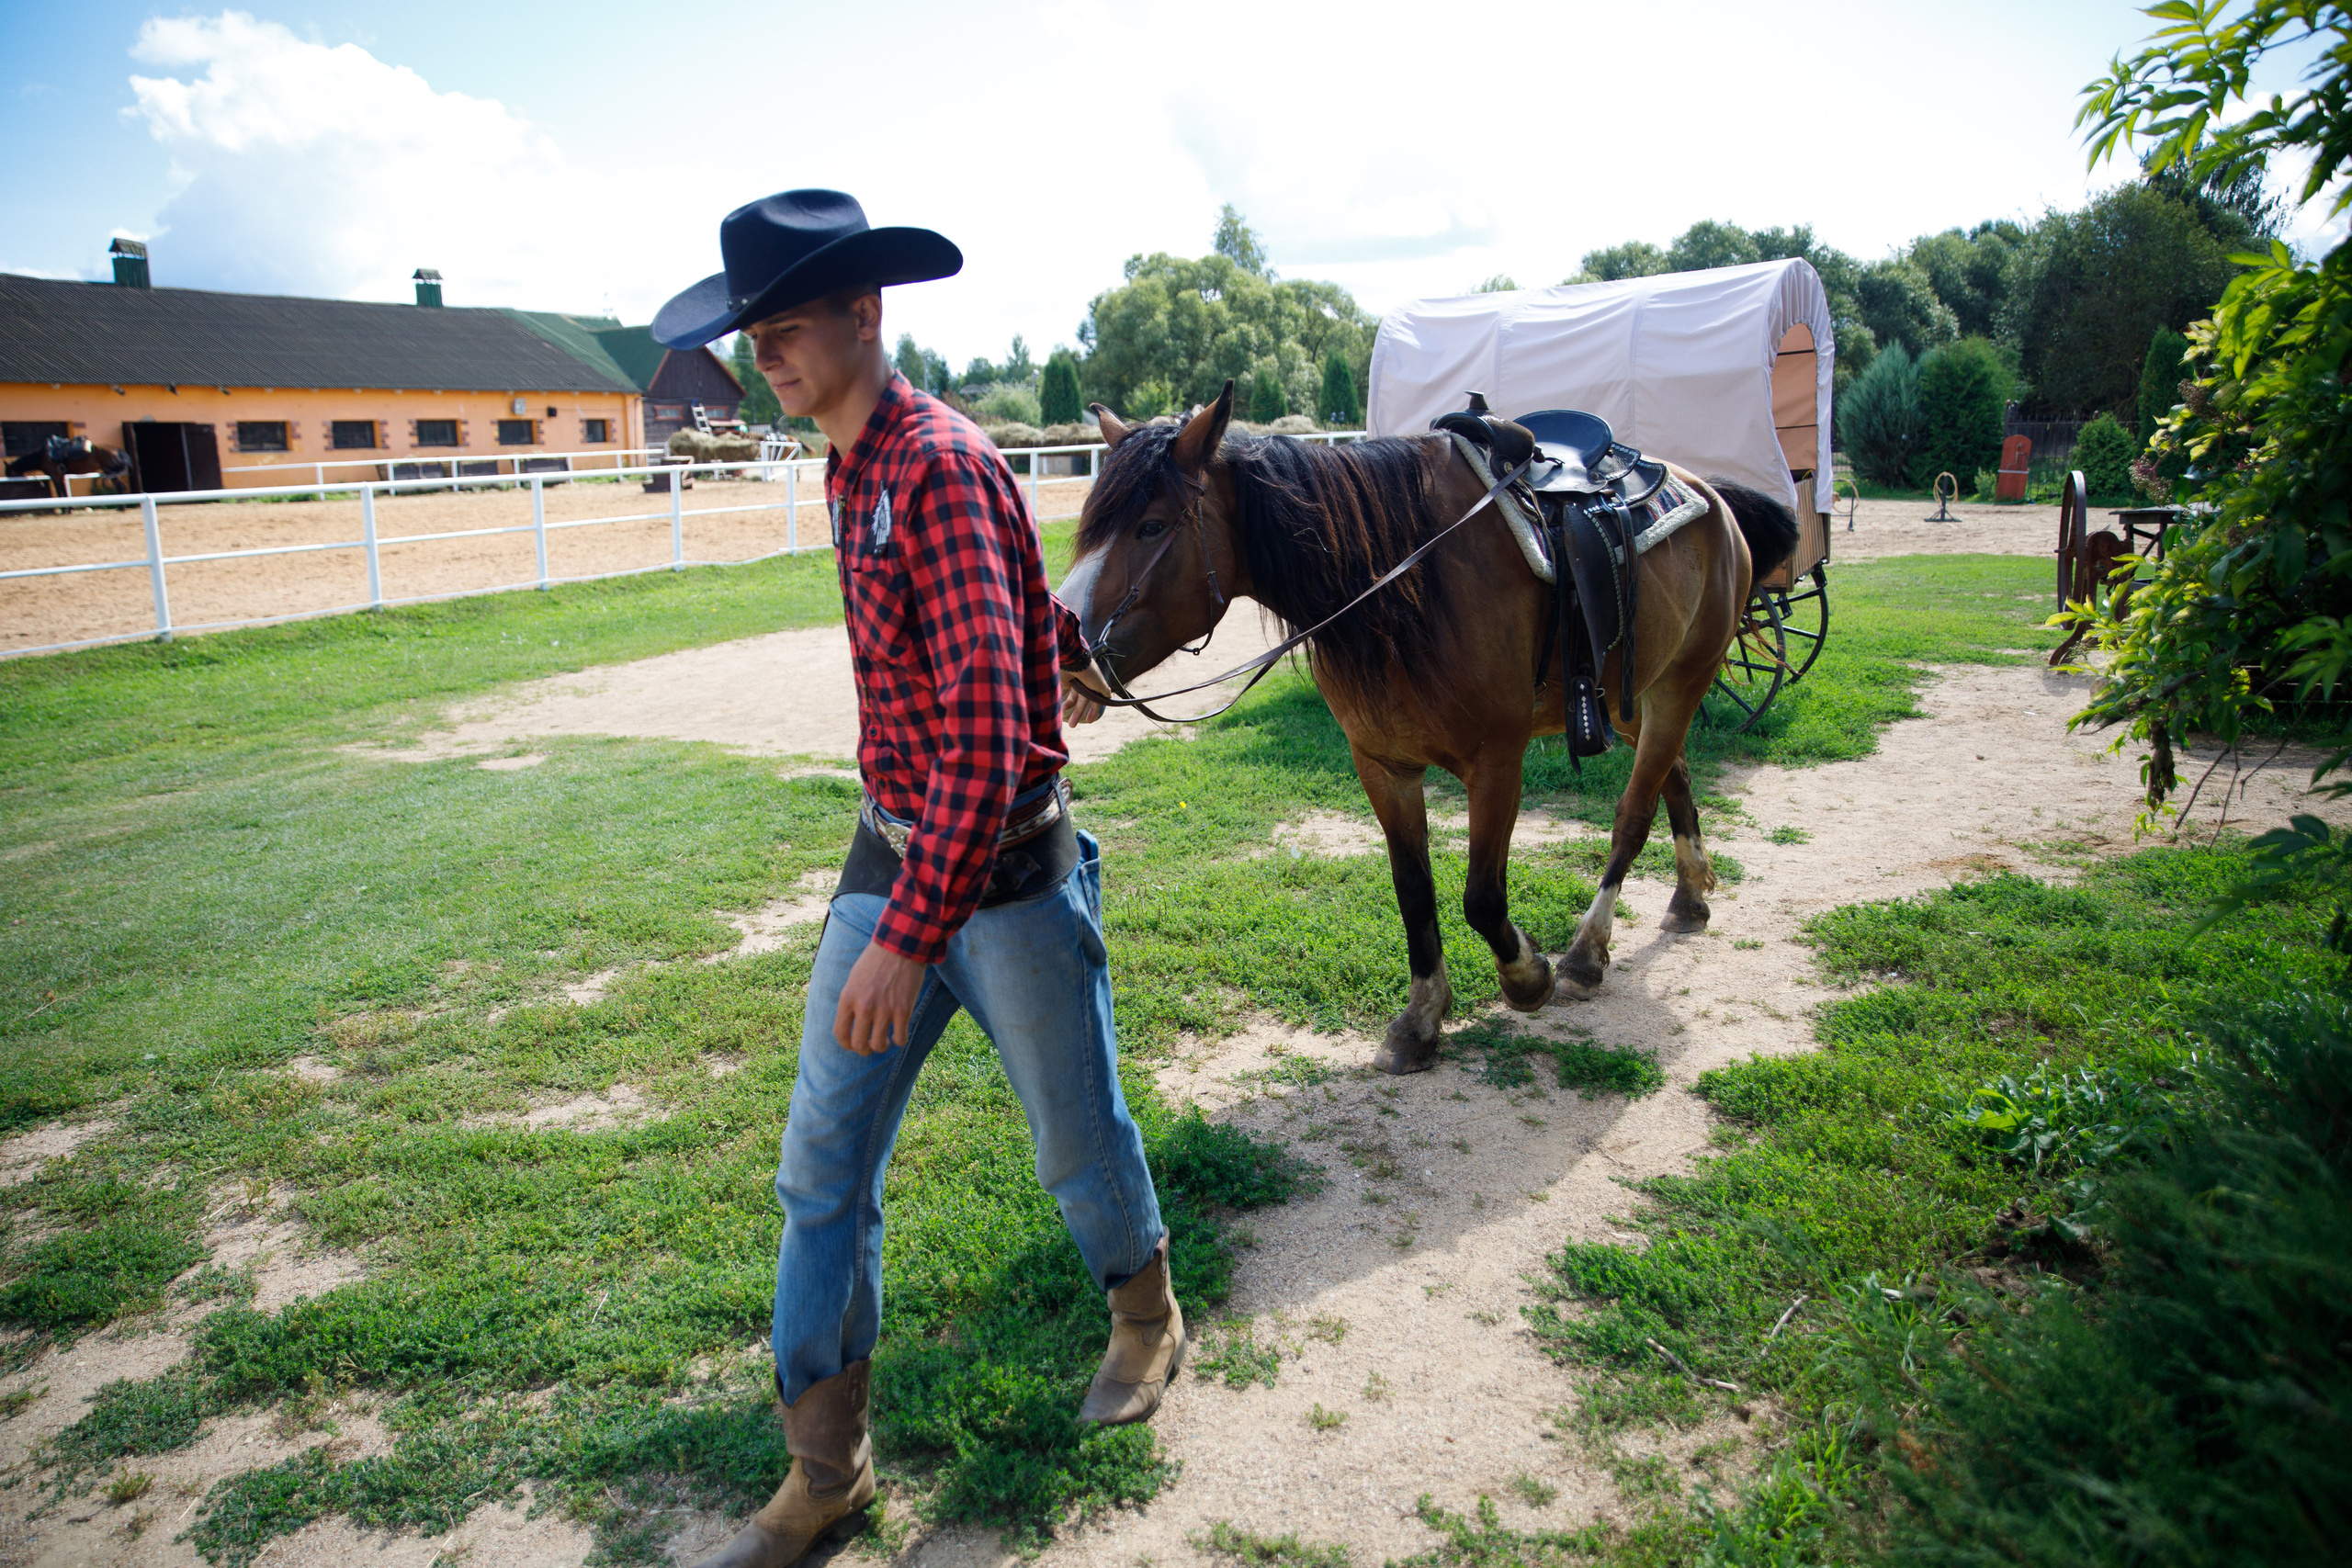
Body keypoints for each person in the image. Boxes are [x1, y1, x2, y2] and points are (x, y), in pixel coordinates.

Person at [650, 190, 1180, 1568]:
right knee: (820, 1167)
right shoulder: (853, 465)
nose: (763, 355)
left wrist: (909, 933)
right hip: (894, 855)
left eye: (783, 329)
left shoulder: (934, 466)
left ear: (863, 315)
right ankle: (824, 1473)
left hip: (998, 879)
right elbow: (978, 667)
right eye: (749, 332)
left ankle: (1146, 1317)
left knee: (1077, 1144)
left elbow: (994, 735)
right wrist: (887, 906)